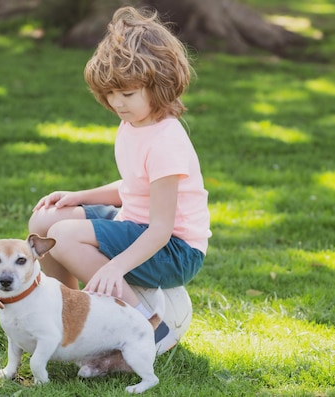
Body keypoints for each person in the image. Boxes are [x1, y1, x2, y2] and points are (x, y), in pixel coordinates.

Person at [29, 6, 211, 354]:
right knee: (45, 221)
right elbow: (134, 187)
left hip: (174, 249)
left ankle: (148, 326)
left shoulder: (165, 142)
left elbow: (160, 229)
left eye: (127, 95)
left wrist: (116, 267)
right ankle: (66, 315)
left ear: (159, 85)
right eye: (111, 94)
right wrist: (79, 195)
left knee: (64, 237)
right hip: (137, 223)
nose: (117, 103)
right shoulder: (134, 123)